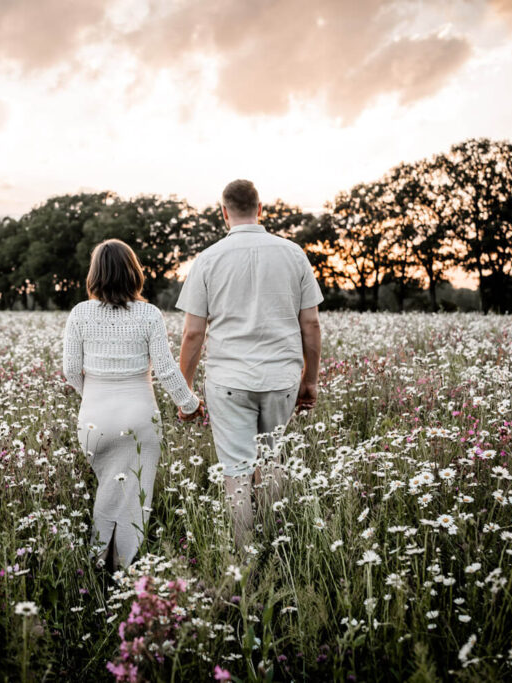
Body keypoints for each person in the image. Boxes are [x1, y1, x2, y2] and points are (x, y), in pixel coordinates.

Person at [176, 179, 323, 550]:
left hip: (228, 379)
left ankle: (243, 560)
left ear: (223, 211)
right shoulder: (293, 254)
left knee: (237, 471)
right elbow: (312, 323)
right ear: (261, 209)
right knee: (273, 459)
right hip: (281, 378)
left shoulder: (208, 259)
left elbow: (193, 333)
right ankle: (278, 547)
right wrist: (310, 381)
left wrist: (184, 391)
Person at [62, 239, 205, 570]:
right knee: (132, 497)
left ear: (94, 274)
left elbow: (70, 370)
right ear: (134, 273)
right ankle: (122, 569)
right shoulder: (149, 314)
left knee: (106, 491)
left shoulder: (80, 313)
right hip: (139, 416)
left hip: (95, 418)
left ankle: (97, 567)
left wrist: (94, 397)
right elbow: (167, 370)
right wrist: (190, 404)